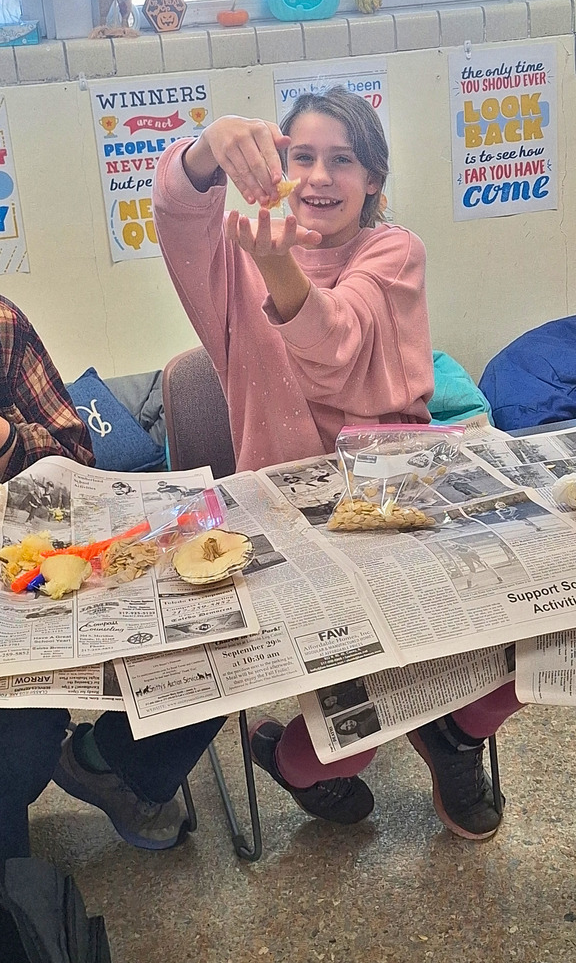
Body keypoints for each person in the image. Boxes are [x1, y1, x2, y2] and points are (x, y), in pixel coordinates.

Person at [153, 87, 525, 842]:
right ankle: (288, 760)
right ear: (278, 169)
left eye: (343, 160)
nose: (321, 176)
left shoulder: (393, 251)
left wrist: (280, 268)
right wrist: (206, 145)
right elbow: (175, 209)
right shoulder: (236, 253)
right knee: (349, 742)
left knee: (526, 645)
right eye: (303, 157)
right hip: (293, 529)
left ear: (374, 181)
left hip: (404, 507)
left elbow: (339, 348)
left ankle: (455, 735)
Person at [0, 297, 224, 867]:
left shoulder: (3, 326)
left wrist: (7, 440)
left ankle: (109, 762)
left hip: (26, 573)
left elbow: (76, 454)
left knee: (212, 611)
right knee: (14, 751)